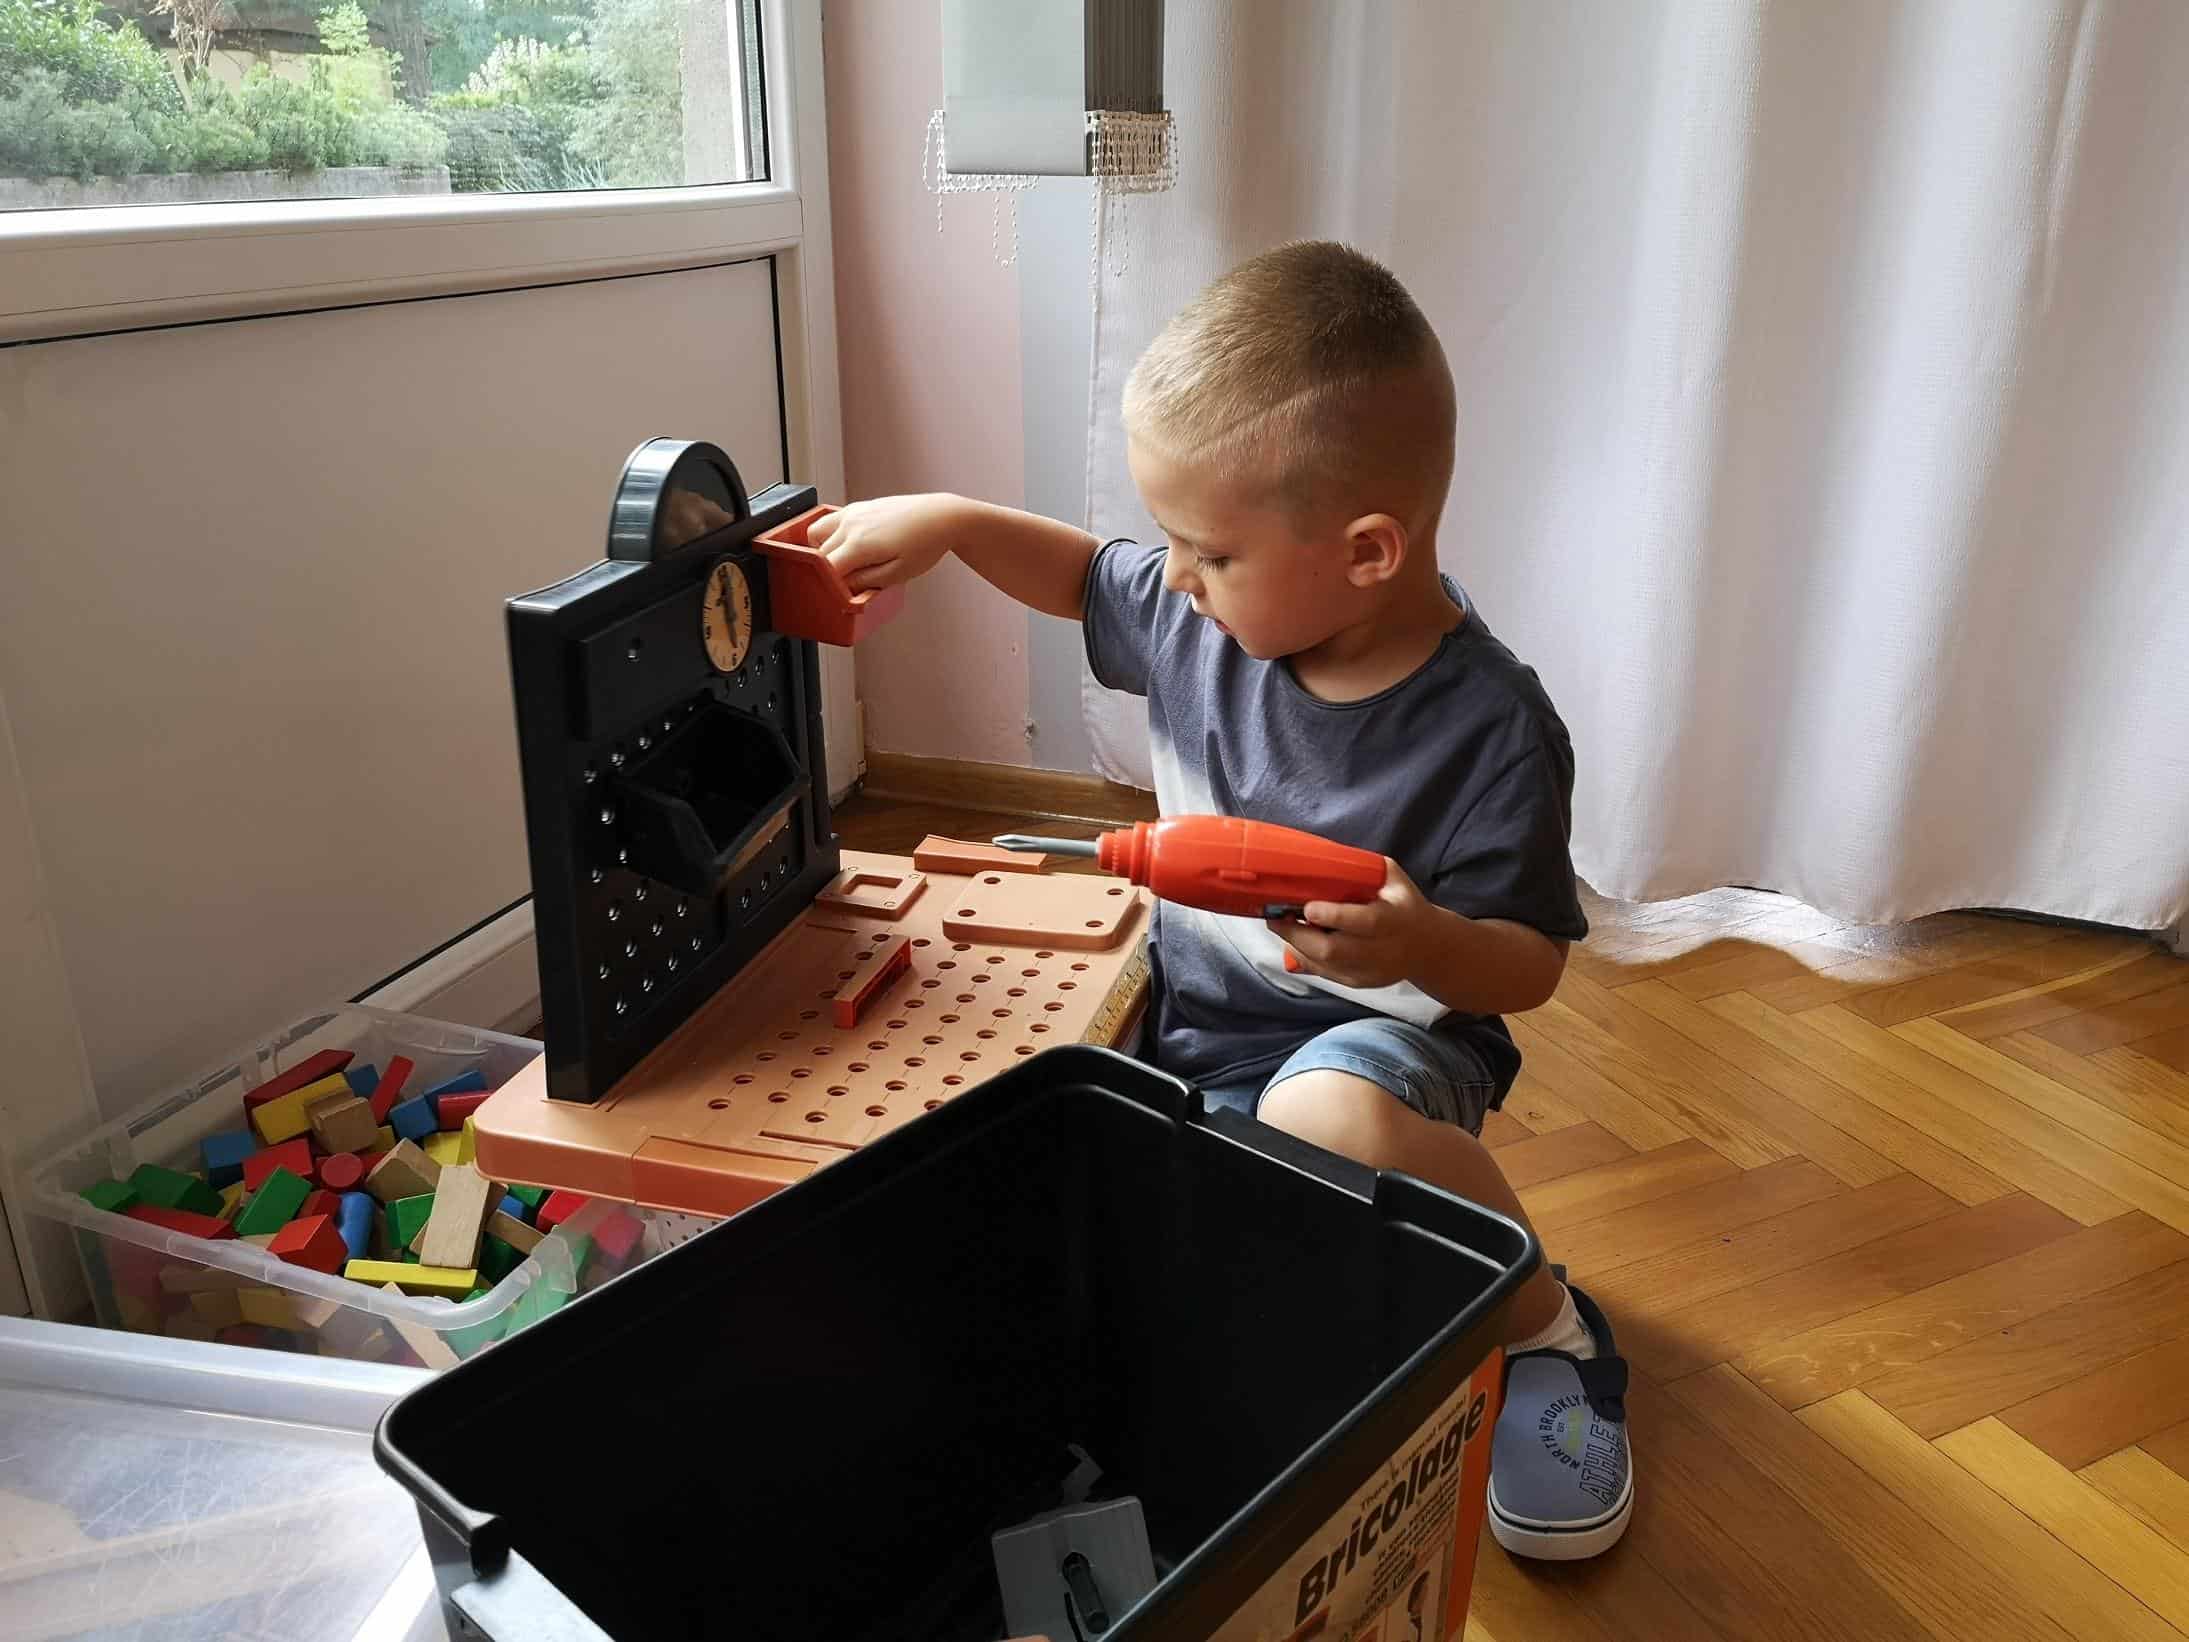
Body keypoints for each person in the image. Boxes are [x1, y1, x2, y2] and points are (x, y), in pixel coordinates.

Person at [810, 240, 1633, 1561]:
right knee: (1013, 1133)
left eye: (1206, 550)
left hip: (1388, 1048)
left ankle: (1540, 1320)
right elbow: (1082, 575)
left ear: (1366, 551)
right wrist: (951, 523)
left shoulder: (1491, 732)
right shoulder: (1209, 619)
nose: (1175, 576)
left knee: (1321, 1118)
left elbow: (1528, 965)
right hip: (1188, 1025)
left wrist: (1422, 940)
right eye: (1172, 543)